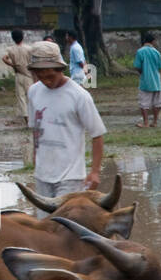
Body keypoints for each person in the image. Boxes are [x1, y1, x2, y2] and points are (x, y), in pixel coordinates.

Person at [26, 40, 106, 201]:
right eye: (41, 77)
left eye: (50, 76)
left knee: (65, 223)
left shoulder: (79, 96)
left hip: (71, 176)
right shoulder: (33, 92)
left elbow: (97, 135)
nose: (46, 81)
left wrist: (95, 171)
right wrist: (35, 155)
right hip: (43, 174)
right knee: (44, 224)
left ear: (59, 69)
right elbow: (36, 128)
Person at [1, 29, 33, 125]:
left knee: (21, 98)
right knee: (31, 96)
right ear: (23, 37)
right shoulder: (29, 49)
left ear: (13, 38)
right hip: (29, 75)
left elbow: (4, 58)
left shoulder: (10, 49)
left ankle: (27, 119)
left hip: (18, 75)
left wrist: (12, 65)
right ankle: (33, 116)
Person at [133, 31, 161, 127]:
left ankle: (145, 122)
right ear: (153, 41)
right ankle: (154, 121)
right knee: (157, 103)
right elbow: (160, 67)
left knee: (144, 103)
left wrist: (141, 72)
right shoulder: (156, 52)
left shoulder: (140, 52)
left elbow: (137, 66)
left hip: (145, 81)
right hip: (156, 81)